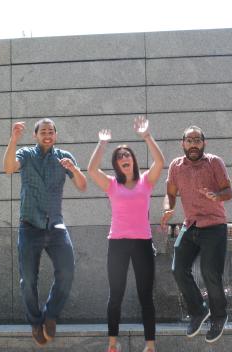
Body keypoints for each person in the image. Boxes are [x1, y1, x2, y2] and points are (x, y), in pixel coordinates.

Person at [3, 118, 87, 346]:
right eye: (43, 132)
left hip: (56, 225)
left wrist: (74, 169)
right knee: (28, 279)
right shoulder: (26, 154)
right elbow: (9, 168)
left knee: (67, 272)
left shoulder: (64, 157)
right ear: (36, 136)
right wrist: (13, 140)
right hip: (30, 225)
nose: (47, 135)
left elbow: (82, 185)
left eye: (51, 131)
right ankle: (35, 321)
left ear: (56, 135)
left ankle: (50, 314)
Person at [87, 116, 164, 352]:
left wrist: (146, 136)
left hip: (142, 243)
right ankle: (112, 344)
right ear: (117, 164)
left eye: (127, 155)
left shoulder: (146, 182)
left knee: (145, 296)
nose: (124, 158)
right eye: (119, 157)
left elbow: (160, 162)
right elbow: (91, 169)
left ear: (133, 160)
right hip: (117, 244)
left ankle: (150, 345)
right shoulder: (112, 184)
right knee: (116, 295)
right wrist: (102, 144)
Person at [160, 126, 232, 344]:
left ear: (204, 143)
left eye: (197, 140)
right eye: (189, 140)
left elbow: (228, 192)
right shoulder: (176, 166)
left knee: (211, 272)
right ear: (182, 143)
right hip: (190, 225)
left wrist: (216, 195)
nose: (193, 144)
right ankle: (199, 310)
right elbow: (169, 194)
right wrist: (167, 208)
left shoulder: (214, 163)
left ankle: (219, 316)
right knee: (178, 269)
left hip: (214, 225)